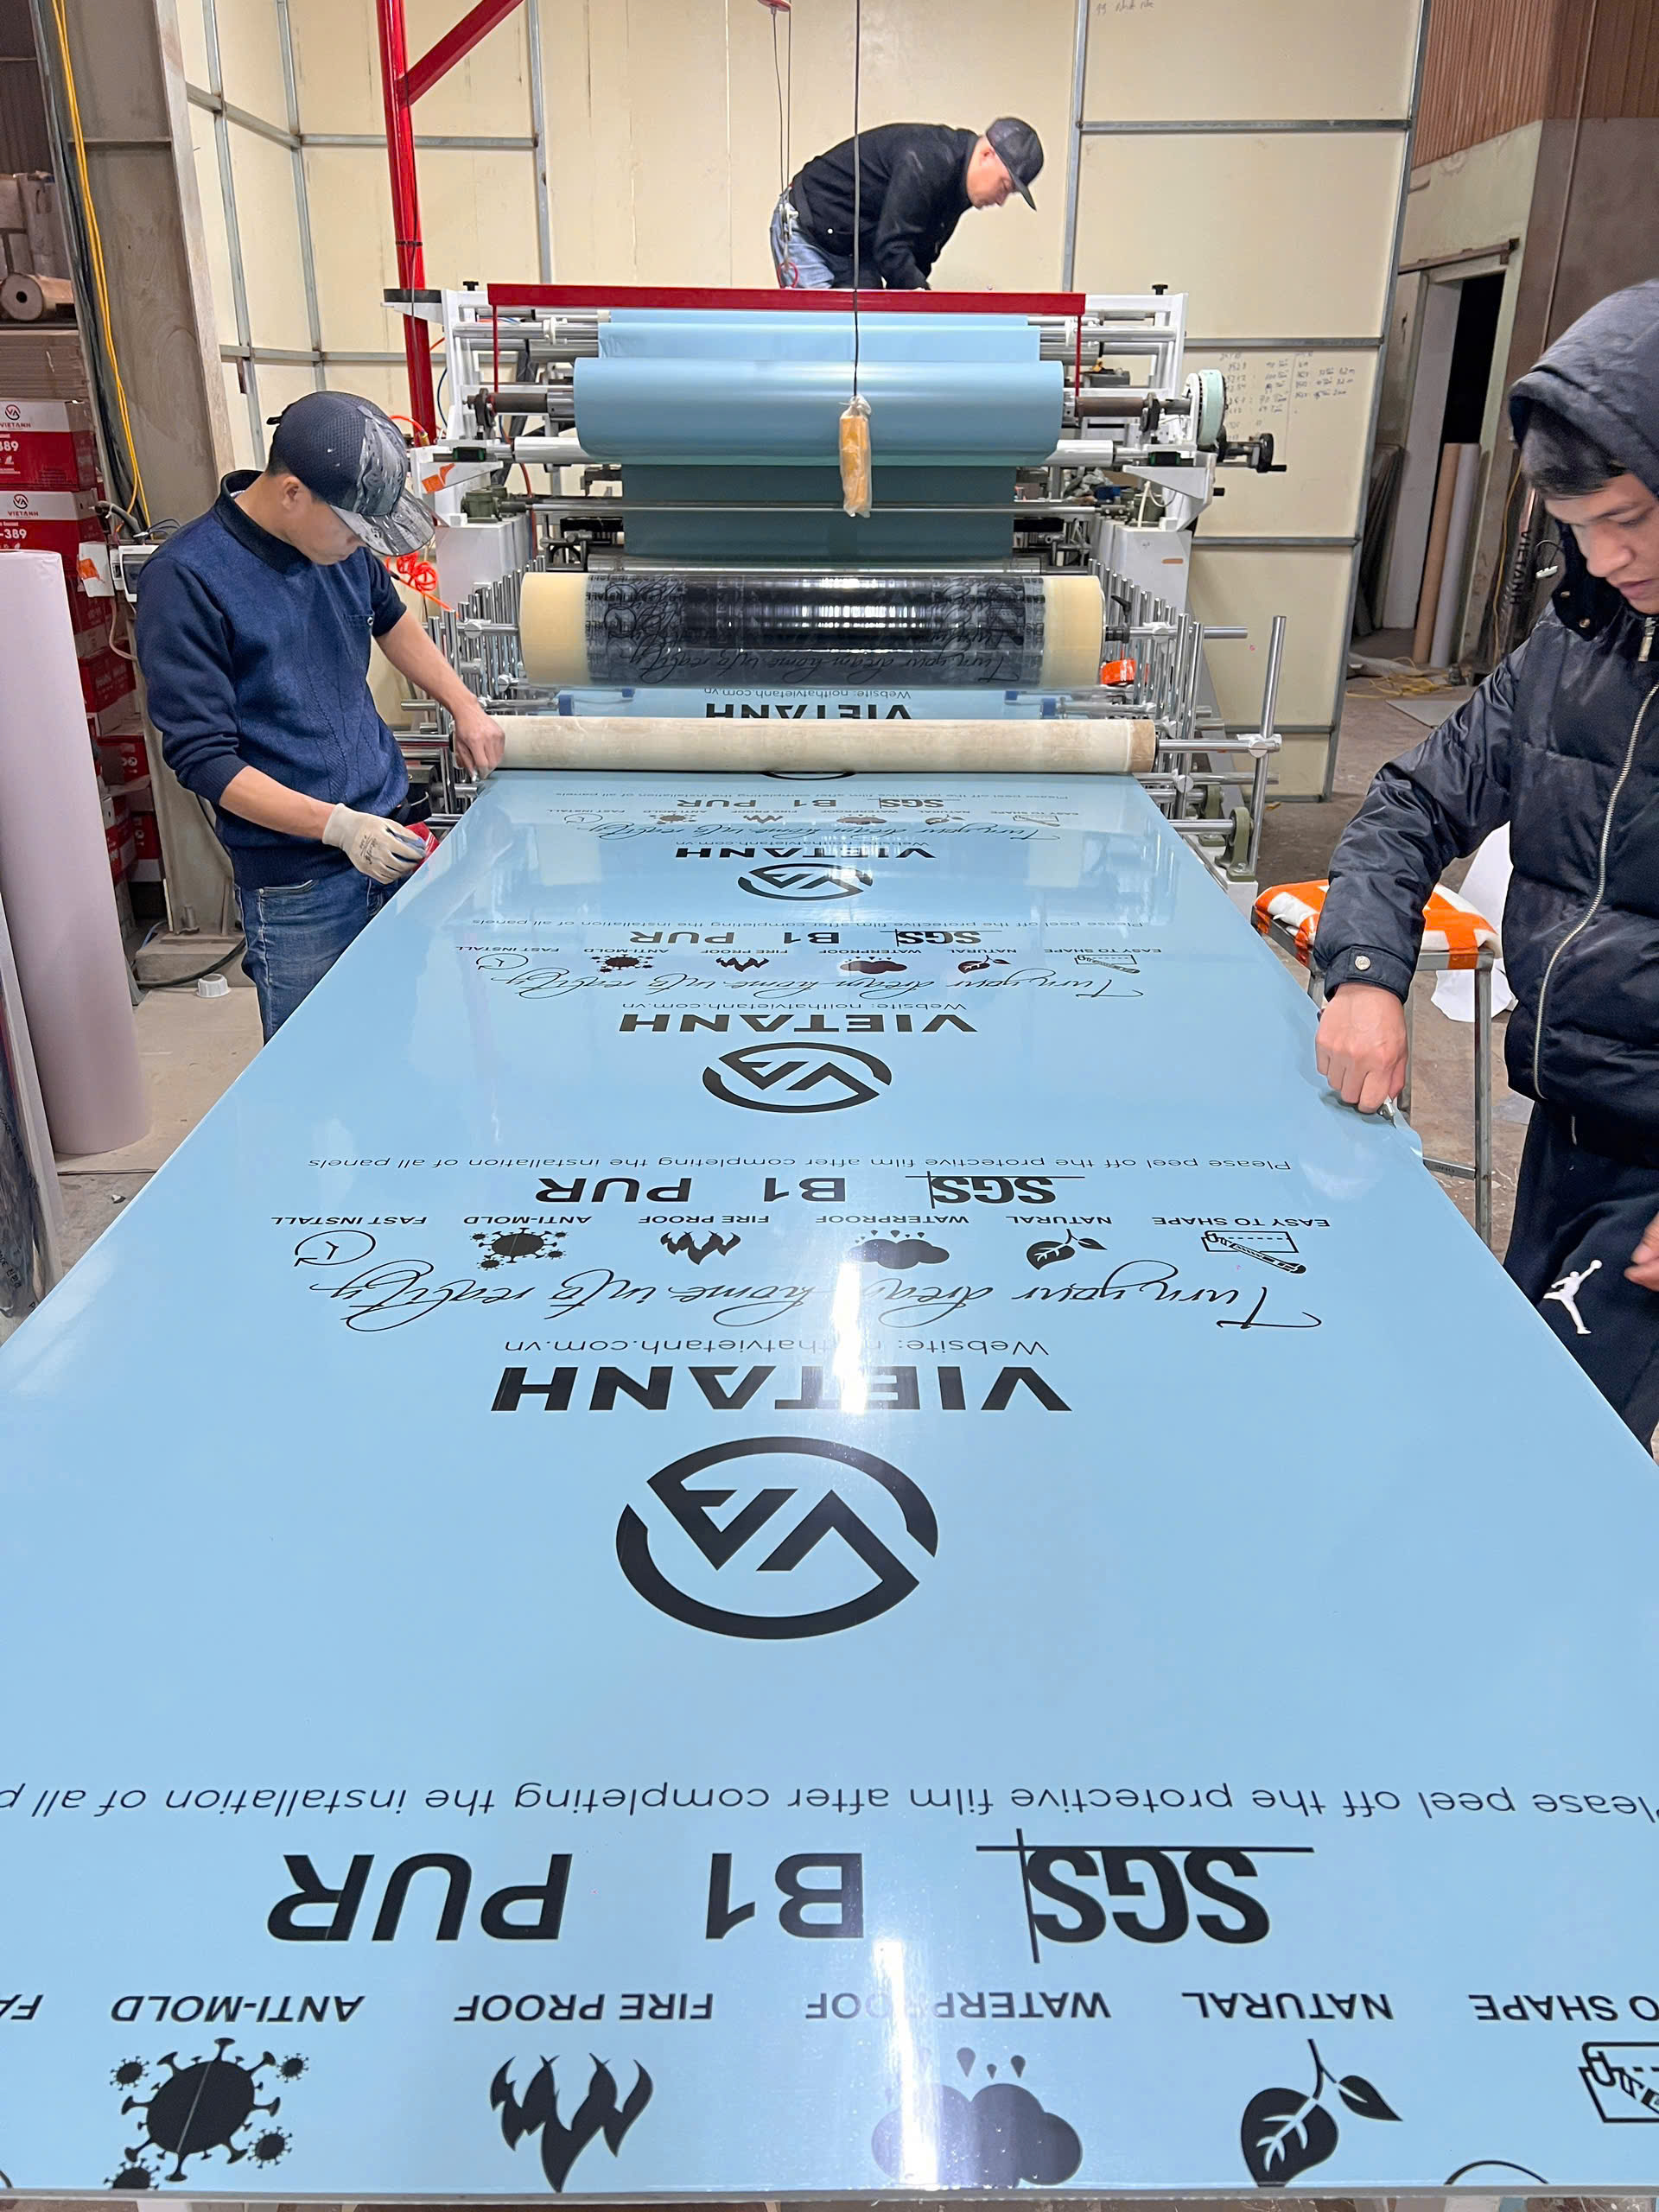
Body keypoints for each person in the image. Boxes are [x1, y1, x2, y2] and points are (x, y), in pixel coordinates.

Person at [1312, 279, 1659, 1446]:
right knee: (1510, 1405)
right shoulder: (1577, 646)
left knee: (1547, 1450)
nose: (1609, 555)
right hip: (1566, 1118)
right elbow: (1414, 799)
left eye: (1633, 517)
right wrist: (1367, 971)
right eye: (1581, 524)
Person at [136, 391, 504, 1040]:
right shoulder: (188, 579)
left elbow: (391, 621)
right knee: (314, 1061)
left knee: (390, 1037)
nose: (360, 546)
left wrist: (465, 705)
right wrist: (338, 828)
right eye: (353, 530)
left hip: (389, 843)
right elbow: (205, 761)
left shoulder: (337, 549)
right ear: (292, 493)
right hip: (300, 884)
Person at [771, 117, 1042, 291]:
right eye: (1004, 186)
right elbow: (892, 247)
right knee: (826, 337)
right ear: (986, 155)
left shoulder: (960, 187)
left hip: (855, 246)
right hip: (807, 227)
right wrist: (921, 298)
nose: (1001, 200)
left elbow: (919, 256)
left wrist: (918, 298)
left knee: (868, 335)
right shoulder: (928, 160)